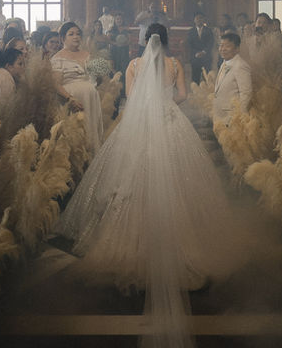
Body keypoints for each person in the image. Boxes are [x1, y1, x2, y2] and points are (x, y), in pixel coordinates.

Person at [57, 24, 242, 346]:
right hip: (170, 121)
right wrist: (167, 106)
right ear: (167, 42)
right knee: (179, 181)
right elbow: (182, 95)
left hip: (140, 125)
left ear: (143, 42)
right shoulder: (174, 64)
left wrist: (147, 108)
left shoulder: (132, 65)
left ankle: (134, 249)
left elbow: (130, 97)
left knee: (132, 181)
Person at [51, 22, 104, 152]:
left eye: (78, 34)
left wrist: (99, 74)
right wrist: (70, 99)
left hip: (91, 98)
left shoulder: (87, 54)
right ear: (63, 38)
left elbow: (96, 78)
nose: (76, 37)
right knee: (77, 133)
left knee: (91, 131)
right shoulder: (58, 58)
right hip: (73, 99)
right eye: (71, 34)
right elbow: (56, 84)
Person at [212, 32, 253, 126]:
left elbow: (246, 93)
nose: (223, 49)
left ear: (237, 49)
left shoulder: (241, 66)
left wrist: (238, 116)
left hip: (232, 116)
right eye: (221, 46)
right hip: (220, 113)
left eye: (227, 46)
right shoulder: (224, 62)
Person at [186, 11, 215, 84]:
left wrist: (203, 52)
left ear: (204, 20)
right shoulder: (191, 31)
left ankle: (209, 93)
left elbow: (210, 43)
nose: (199, 20)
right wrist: (196, 53)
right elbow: (189, 44)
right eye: (197, 18)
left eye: (201, 18)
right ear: (194, 20)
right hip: (195, 57)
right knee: (195, 78)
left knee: (208, 78)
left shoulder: (209, 30)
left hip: (206, 57)